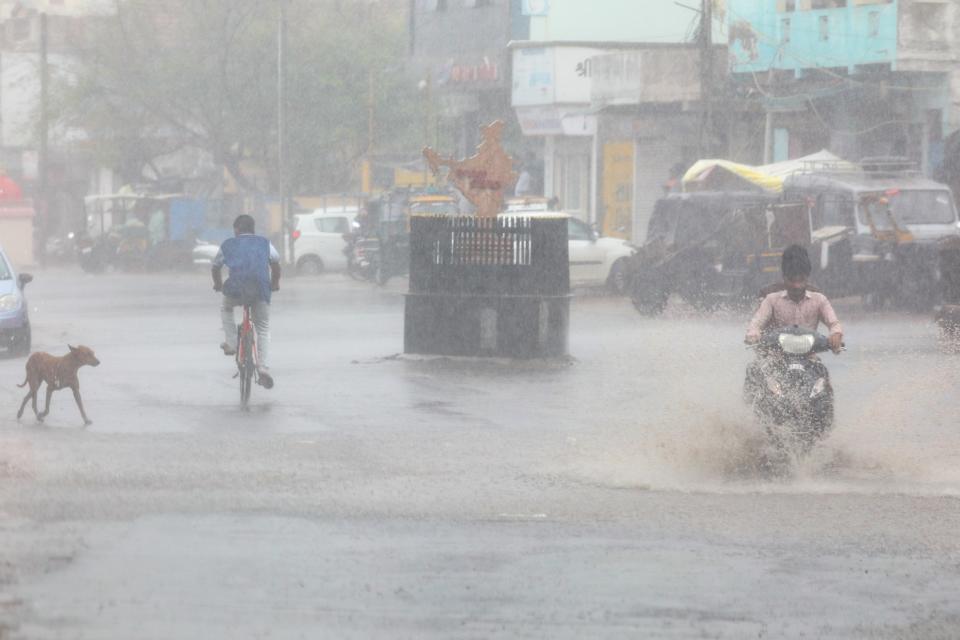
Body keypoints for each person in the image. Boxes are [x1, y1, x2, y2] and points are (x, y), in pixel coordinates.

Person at [212, 214, 281, 388]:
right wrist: (274, 284)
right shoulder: (264, 243)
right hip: (260, 288)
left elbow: (216, 266)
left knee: (226, 307)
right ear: (253, 229)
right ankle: (263, 368)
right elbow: (275, 263)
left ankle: (233, 343)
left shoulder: (228, 244)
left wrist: (218, 285)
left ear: (236, 229)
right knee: (263, 327)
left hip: (236, 288)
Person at [745, 244, 843, 351]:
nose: (796, 286)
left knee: (820, 368)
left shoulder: (819, 300)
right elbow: (756, 323)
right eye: (792, 280)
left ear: (807, 277)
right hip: (775, 357)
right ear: (784, 278)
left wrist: (836, 335)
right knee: (755, 368)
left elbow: (834, 323)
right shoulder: (771, 299)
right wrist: (753, 335)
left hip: (809, 358)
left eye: (801, 280)